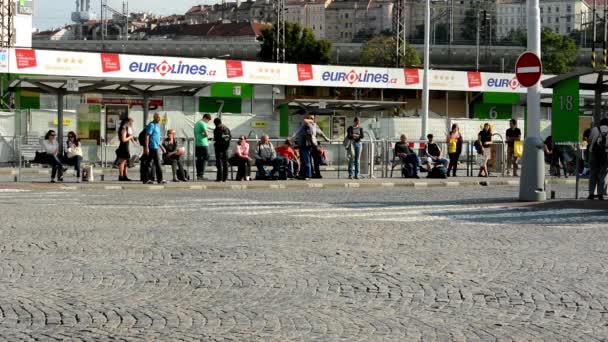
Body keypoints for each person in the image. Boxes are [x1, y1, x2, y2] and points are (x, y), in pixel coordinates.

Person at [587, 118, 608, 200]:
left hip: (594, 154)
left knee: (593, 174)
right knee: (602, 175)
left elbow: (589, 140)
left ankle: (591, 194)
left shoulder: (595, 129)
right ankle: (600, 194)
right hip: (605, 155)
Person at [143, 112, 165, 184]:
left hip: (156, 147)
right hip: (152, 147)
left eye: (159, 117)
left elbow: (157, 138)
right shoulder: (151, 125)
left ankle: (146, 179)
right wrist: (146, 148)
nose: (159, 119)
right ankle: (160, 179)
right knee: (157, 163)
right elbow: (147, 136)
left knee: (149, 163)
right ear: (154, 117)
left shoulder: (157, 126)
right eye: (157, 117)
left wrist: (162, 147)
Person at [293, 114, 315, 180]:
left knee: (307, 161)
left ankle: (308, 175)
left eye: (311, 118)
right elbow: (297, 132)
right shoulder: (304, 126)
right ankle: (302, 175)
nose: (310, 119)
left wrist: (309, 120)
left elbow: (306, 121)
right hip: (302, 145)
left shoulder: (310, 125)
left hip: (306, 146)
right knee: (303, 161)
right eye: (310, 118)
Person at [213, 118, 232, 182]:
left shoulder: (217, 129)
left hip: (219, 148)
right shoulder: (227, 128)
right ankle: (225, 178)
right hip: (225, 148)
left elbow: (218, 138)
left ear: (215, 123)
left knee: (219, 163)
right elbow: (229, 138)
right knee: (225, 163)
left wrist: (215, 141)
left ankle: (219, 178)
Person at [194, 113, 212, 180]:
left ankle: (198, 175)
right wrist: (207, 136)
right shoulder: (203, 123)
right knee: (206, 158)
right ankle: (201, 175)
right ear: (205, 118)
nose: (207, 122)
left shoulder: (197, 123)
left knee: (199, 159)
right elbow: (206, 134)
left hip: (197, 143)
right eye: (208, 120)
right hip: (203, 143)